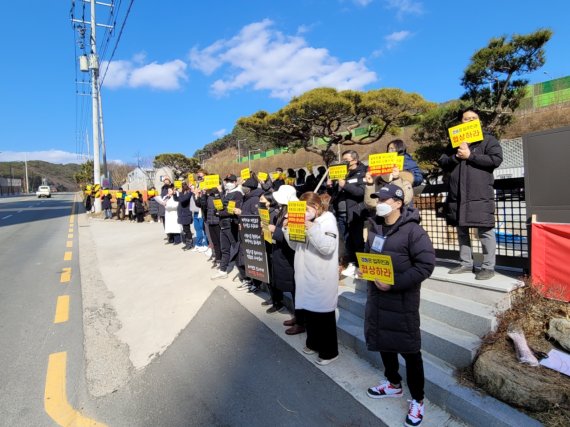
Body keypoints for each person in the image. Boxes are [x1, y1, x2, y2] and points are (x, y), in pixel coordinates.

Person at [363, 184, 435, 427]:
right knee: (384, 342)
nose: (379, 202)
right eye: (377, 198)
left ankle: (417, 400)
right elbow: (368, 255)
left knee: (410, 352)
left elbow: (425, 265)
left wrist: (394, 284)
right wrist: (368, 271)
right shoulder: (374, 226)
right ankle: (393, 383)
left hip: (401, 300)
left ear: (397, 203)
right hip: (377, 297)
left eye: (383, 199)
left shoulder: (413, 231)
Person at [438, 108, 503, 280]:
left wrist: (470, 156)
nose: (470, 120)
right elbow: (443, 162)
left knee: (485, 231)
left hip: (480, 193)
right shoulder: (453, 143)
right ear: (461, 122)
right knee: (461, 230)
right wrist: (456, 157)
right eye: (466, 118)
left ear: (479, 121)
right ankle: (465, 263)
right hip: (457, 194)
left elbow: (496, 160)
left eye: (474, 118)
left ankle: (488, 267)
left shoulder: (488, 139)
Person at [284, 192, 340, 365]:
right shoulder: (306, 221)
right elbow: (294, 245)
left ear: (316, 208)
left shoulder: (328, 221)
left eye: (306, 209)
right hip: (305, 273)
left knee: (323, 314)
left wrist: (310, 227)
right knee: (309, 311)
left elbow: (327, 247)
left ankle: (330, 352)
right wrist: (288, 229)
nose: (304, 213)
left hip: (321, 275)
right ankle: (313, 343)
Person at [270, 185, 305, 335]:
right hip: (283, 255)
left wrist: (276, 231)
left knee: (297, 290)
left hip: (292, 257)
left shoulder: (296, 211)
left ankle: (302, 322)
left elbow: (295, 239)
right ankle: (297, 317)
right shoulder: (284, 209)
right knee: (293, 290)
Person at [328, 149, 367, 278]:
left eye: (346, 160)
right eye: (342, 160)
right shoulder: (342, 173)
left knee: (357, 239)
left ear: (354, 160)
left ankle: (361, 265)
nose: (343, 163)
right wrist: (330, 186)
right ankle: (351, 262)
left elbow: (361, 192)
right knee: (346, 239)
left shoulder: (362, 172)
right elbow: (335, 194)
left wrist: (345, 185)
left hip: (355, 212)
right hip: (340, 213)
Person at [211, 174, 243, 280]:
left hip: (231, 225)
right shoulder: (226, 192)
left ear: (235, 182)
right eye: (226, 181)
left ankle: (245, 275)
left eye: (230, 181)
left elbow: (231, 210)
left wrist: (219, 213)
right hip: (223, 225)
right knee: (224, 249)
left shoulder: (237, 194)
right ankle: (223, 270)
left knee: (236, 249)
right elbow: (221, 206)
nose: (228, 183)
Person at [233, 177, 263, 290]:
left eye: (244, 186)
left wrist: (242, 213)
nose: (242, 187)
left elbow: (256, 218)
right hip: (243, 231)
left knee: (250, 259)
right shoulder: (247, 197)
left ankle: (255, 283)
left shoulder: (255, 199)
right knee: (241, 258)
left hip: (251, 235)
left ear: (249, 188)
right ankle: (250, 281)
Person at [174, 183, 195, 250]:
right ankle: (187, 243)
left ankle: (190, 244)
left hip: (186, 214)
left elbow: (183, 200)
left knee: (187, 230)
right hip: (182, 214)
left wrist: (180, 193)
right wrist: (174, 194)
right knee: (185, 230)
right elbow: (177, 199)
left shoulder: (189, 193)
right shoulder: (183, 194)